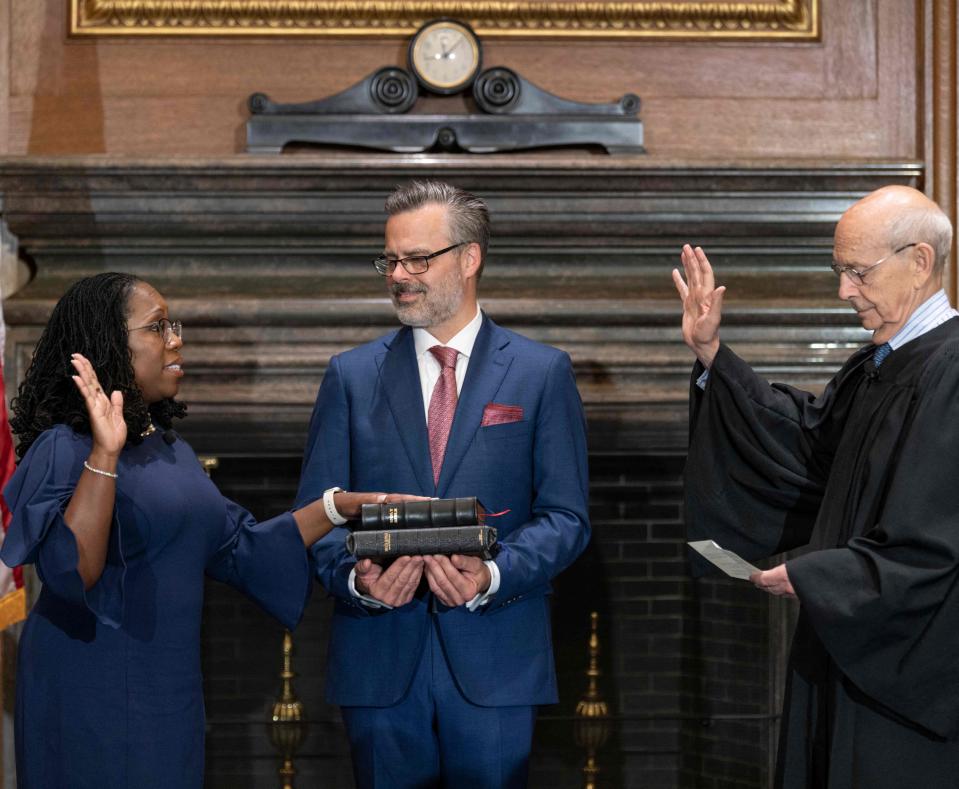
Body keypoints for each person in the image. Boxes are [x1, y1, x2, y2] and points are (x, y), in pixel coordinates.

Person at [0, 273, 410, 789]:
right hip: (89, 686)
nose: (176, 338)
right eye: (157, 328)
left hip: (169, 694)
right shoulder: (66, 446)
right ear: (109, 344)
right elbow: (73, 571)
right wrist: (105, 452)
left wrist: (338, 507)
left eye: (174, 325)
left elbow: (242, 548)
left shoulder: (172, 452)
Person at [295, 179, 591, 788]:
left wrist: (493, 573)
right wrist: (360, 580)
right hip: (379, 660)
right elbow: (317, 515)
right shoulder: (350, 377)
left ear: (470, 257)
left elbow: (567, 518)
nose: (398, 274)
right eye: (391, 259)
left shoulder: (541, 373)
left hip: (497, 658)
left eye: (417, 259)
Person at [673, 185, 959, 788]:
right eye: (839, 271)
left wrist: (819, 577)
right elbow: (806, 447)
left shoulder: (951, 374)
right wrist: (712, 356)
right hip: (846, 637)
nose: (843, 291)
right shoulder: (879, 363)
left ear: (920, 262)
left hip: (903, 668)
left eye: (857, 272)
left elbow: (937, 537)